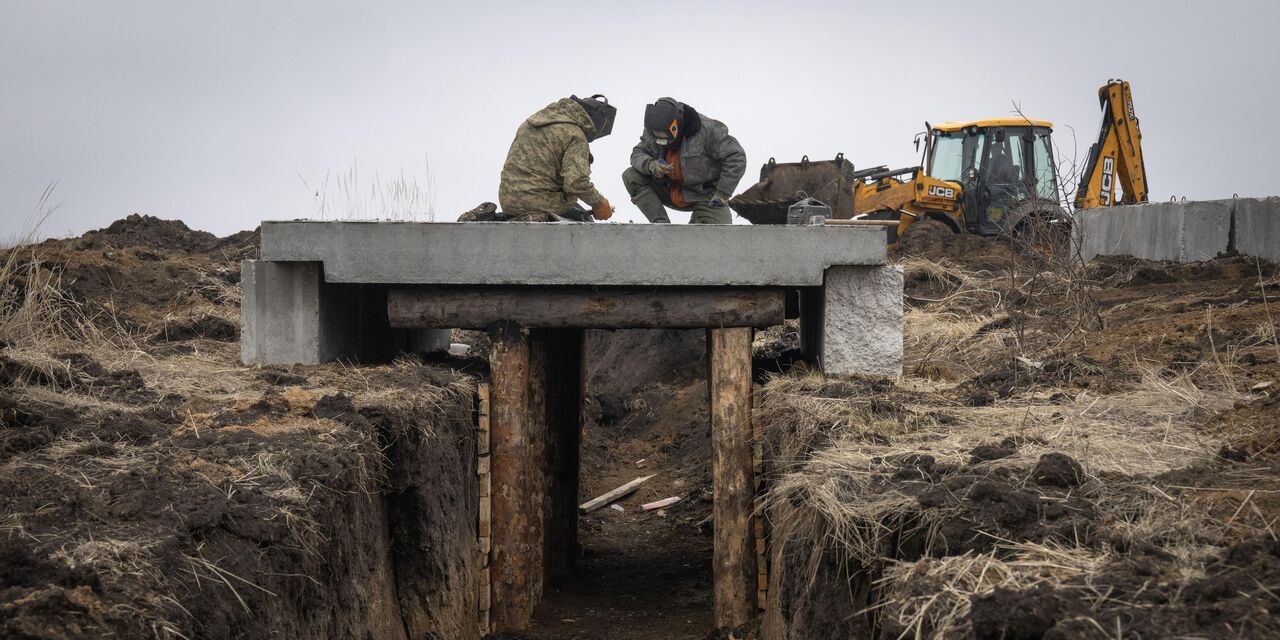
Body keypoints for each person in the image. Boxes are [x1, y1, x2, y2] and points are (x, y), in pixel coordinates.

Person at [493, 94, 617, 222]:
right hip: (541, 202)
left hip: (508, 201)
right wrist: (599, 203)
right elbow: (576, 183)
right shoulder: (575, 135)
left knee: (574, 209)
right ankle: (539, 215)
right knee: (585, 224)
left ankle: (499, 217)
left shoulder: (532, 123)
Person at [622, 97, 746, 224]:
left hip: (704, 195)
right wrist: (651, 165)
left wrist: (722, 193)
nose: (661, 137)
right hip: (669, 189)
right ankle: (661, 225)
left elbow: (736, 157)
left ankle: (701, 218)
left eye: (665, 134)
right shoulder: (653, 128)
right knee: (631, 176)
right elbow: (637, 153)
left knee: (719, 235)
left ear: (676, 123)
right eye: (657, 135)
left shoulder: (708, 130)